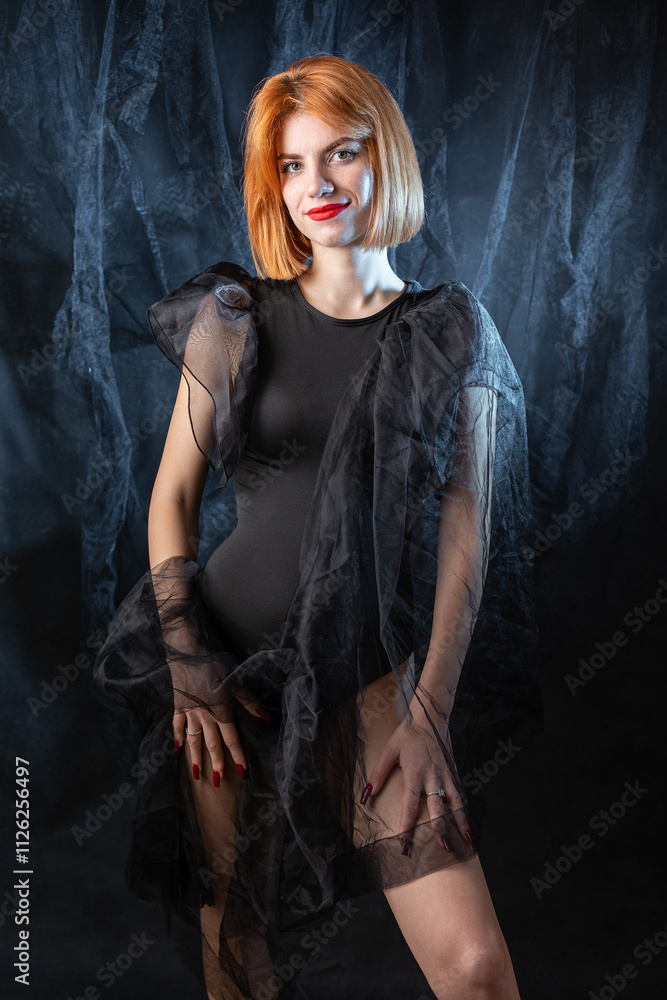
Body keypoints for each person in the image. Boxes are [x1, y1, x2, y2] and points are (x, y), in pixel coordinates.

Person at [94, 54, 539, 1000]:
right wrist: (187, 663)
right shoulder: (233, 319)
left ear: (386, 158)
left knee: (472, 967)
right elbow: (171, 497)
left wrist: (427, 713)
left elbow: (470, 530)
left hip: (363, 676)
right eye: (290, 166)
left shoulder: (450, 327)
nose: (316, 185)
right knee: (236, 950)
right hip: (222, 665)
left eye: (340, 153)